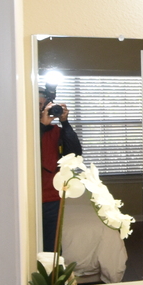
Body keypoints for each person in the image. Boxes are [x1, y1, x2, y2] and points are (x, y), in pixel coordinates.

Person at [40, 98, 85, 251]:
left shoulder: (56, 131)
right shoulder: (24, 131)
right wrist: (41, 126)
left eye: (43, 105)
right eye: (38, 105)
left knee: (51, 245)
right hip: (29, 198)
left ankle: (52, 274)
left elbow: (75, 154)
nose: (41, 109)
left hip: (52, 196)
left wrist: (65, 122)